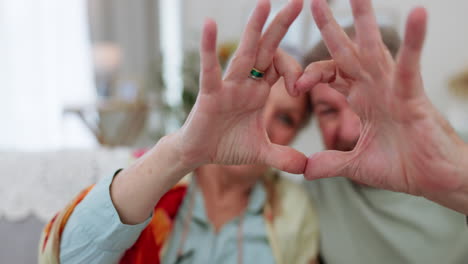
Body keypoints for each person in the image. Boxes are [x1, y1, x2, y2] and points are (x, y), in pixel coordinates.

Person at [38, 0, 320, 263]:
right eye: (254, 104)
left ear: (296, 133)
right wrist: (180, 154)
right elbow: (64, 258)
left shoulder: (295, 212)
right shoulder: (152, 178)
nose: (259, 121)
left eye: (285, 118)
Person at [301, 22, 468, 264]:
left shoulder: (460, 155)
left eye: (364, 103)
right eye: (327, 111)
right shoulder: (312, 196)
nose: (349, 131)